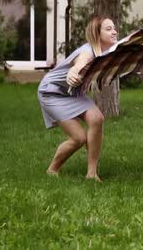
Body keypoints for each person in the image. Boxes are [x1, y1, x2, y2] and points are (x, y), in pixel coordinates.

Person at [38, 16, 118, 182]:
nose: (114, 31)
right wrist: (73, 73)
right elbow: (78, 65)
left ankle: (91, 174)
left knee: (97, 118)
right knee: (79, 138)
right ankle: (52, 170)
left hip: (73, 93)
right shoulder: (88, 51)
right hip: (53, 92)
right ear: (97, 34)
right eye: (108, 29)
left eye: (114, 28)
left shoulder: (104, 54)